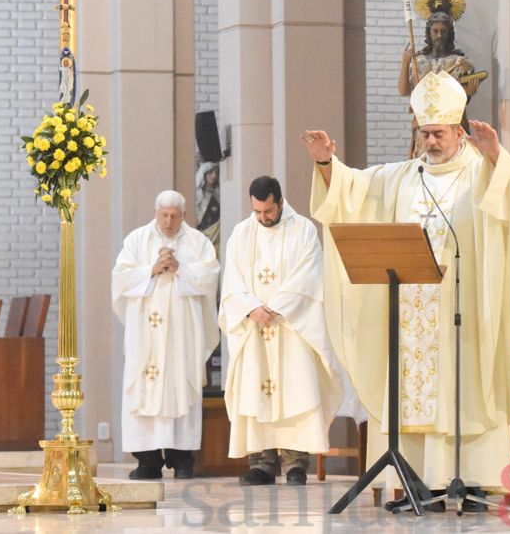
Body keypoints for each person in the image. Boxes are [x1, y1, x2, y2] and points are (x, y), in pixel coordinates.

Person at [302, 70, 510, 509]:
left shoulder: (479, 172)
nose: (430, 142)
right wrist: (328, 164)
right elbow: (353, 191)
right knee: (414, 389)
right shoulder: (403, 176)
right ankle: (420, 480)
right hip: (410, 310)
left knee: (464, 387)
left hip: (463, 308)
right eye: (424, 133)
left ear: (458, 132)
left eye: (438, 133)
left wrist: (496, 155)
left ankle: (473, 477)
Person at [219, 176, 344, 486]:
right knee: (254, 390)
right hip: (254, 326)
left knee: (295, 390)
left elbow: (309, 274)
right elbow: (231, 281)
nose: (263, 218)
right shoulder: (241, 234)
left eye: (269, 211)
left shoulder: (302, 229)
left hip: (291, 324)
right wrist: (251, 308)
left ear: (280, 202)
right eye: (258, 212)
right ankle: (261, 463)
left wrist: (276, 307)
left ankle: (295, 463)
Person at [112, 190, 220, 480]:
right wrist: (152, 269)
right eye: (164, 215)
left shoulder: (198, 243)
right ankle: (147, 461)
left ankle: (182, 459)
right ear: (156, 212)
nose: (169, 221)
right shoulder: (137, 240)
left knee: (180, 385)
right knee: (143, 389)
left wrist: (180, 269)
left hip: (181, 335)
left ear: (184, 215)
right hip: (145, 336)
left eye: (175, 215)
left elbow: (211, 277)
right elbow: (120, 279)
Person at [398, 0, 484, 158]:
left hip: (451, 127)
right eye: (435, 31)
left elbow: (461, 101)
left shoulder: (461, 64)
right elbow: (405, 91)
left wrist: (466, 94)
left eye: (443, 31)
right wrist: (405, 63)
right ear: (429, 33)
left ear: (450, 34)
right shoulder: (419, 62)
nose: (439, 35)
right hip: (424, 128)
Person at [195, 162, 221, 248]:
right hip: (200, 232)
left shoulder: (219, 193)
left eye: (216, 173)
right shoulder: (198, 194)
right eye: (210, 173)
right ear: (204, 174)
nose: (214, 176)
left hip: (216, 232)